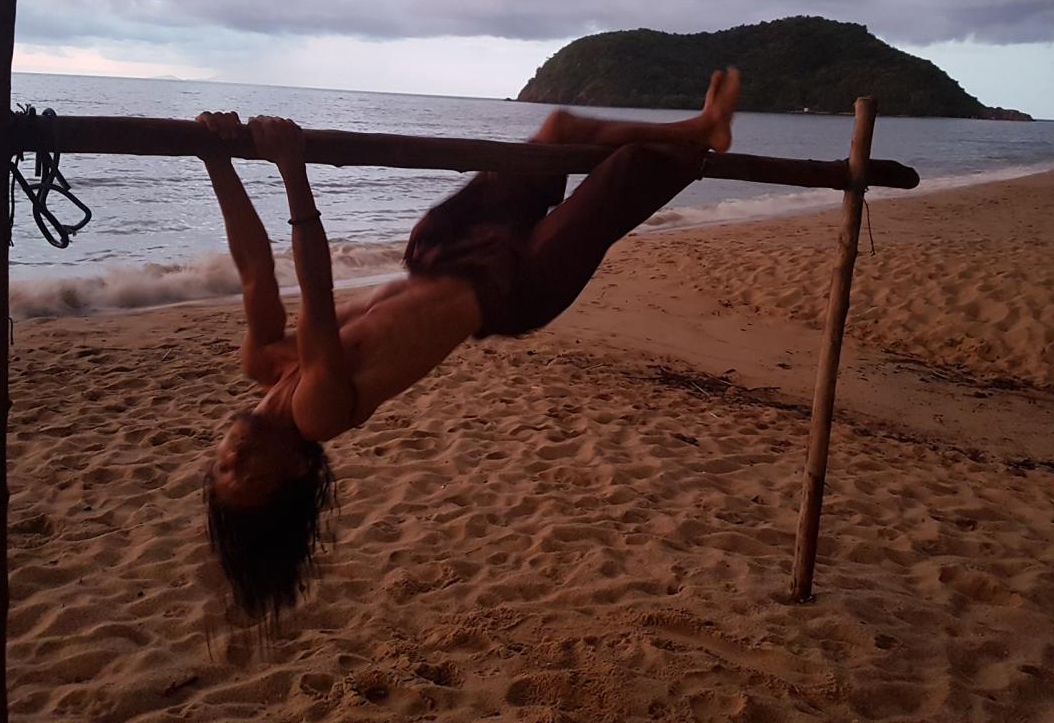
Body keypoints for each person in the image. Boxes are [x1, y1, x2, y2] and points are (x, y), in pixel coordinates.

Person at [201, 68, 741, 622]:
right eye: (249, 476)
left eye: (222, 471)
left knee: (558, 129)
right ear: (295, 469)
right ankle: (697, 145)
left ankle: (701, 127)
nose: (233, 458)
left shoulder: (263, 361)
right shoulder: (317, 415)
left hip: (448, 253)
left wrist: (215, 159)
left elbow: (255, 271)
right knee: (627, 172)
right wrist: (292, 168)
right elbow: (316, 294)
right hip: (514, 286)